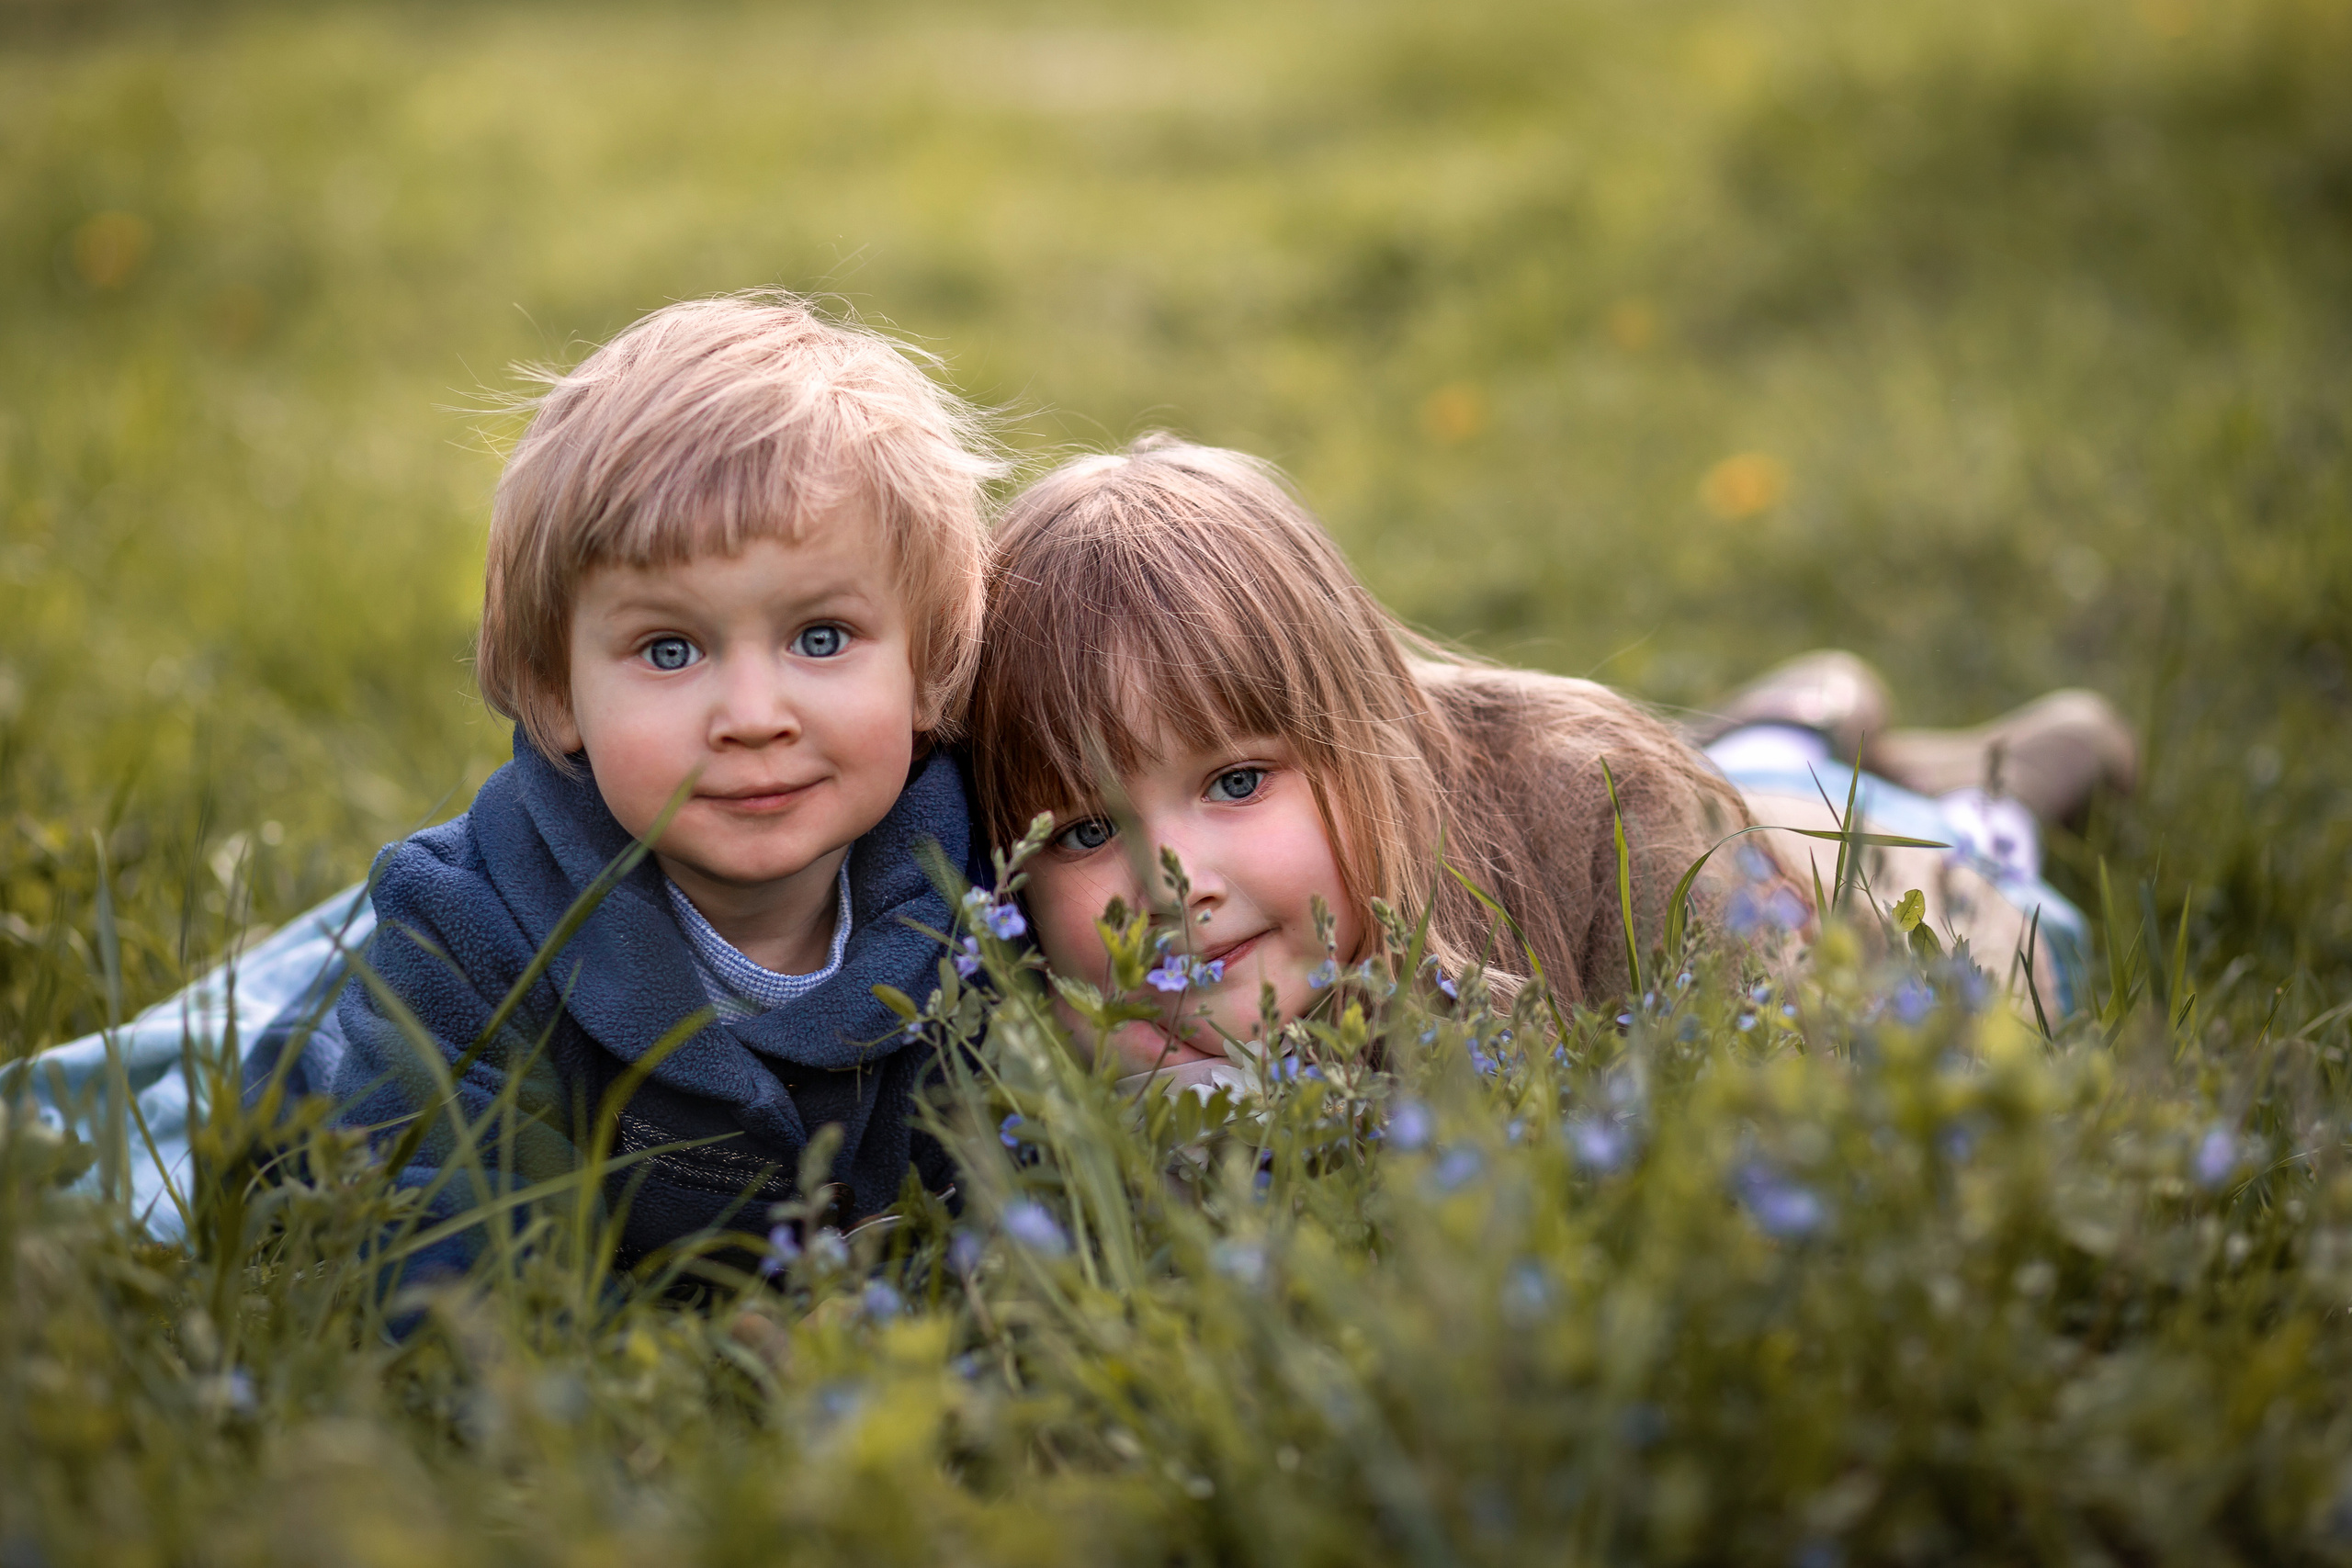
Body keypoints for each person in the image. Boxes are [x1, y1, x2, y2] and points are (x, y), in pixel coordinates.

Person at [17, 294, 1001, 1258]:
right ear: (554, 691)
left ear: (930, 663)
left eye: (819, 638)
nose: (751, 716)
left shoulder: (980, 904)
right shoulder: (470, 945)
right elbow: (431, 1258)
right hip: (323, 1102)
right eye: (668, 651)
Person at [966, 438, 2127, 1089]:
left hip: (1854, 905)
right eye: (1085, 832)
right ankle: (1790, 719)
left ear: (1362, 739)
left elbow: (1796, 1105)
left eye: (1234, 782)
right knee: (1754, 763)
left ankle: (1986, 762)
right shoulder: (1047, 1002)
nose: (1172, 888)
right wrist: (1150, 1104)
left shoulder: (1605, 817)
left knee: (1949, 866)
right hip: (1697, 797)